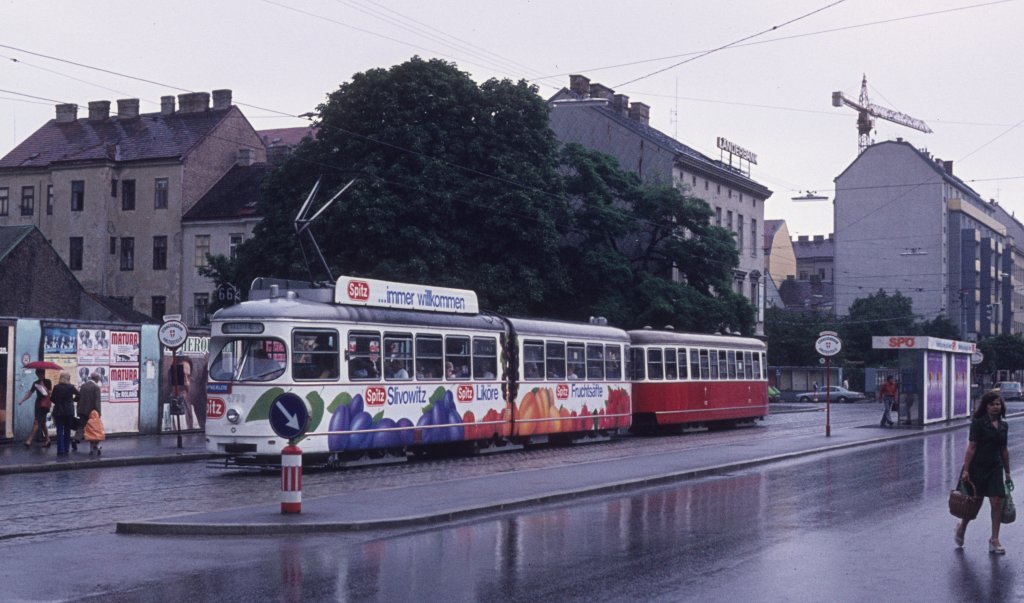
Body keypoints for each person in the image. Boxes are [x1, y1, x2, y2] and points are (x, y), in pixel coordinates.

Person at [955, 392, 1012, 553]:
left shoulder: (1003, 426)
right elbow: (971, 448)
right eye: (992, 404)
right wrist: (966, 470)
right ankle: (962, 527)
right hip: (977, 467)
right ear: (986, 406)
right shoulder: (978, 423)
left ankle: (994, 539)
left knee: (996, 502)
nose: (996, 407)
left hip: (995, 467)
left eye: (998, 404)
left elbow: (1004, 450)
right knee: (974, 503)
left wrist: (1007, 473)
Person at [18, 369, 52, 448]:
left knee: (36, 422)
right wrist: (22, 400)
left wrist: (43, 387)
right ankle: (47, 439)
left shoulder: (48, 381)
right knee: (43, 423)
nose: (41, 376)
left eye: (42, 374)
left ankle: (29, 440)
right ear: (37, 375)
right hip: (38, 403)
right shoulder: (35, 383)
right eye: (39, 374)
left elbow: (50, 393)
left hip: (45, 404)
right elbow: (30, 393)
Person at [50, 372, 78, 456]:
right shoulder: (71, 387)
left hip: (58, 411)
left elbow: (52, 398)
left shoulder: (56, 387)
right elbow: (79, 394)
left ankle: (60, 450)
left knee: (59, 430)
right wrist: (72, 401)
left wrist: (58, 402)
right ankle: (66, 449)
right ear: (68, 379)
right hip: (69, 411)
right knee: (67, 430)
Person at [77, 372, 102, 456]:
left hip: (82, 410)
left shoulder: (83, 386)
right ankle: (95, 446)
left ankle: (75, 439)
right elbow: (97, 402)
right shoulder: (96, 387)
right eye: (98, 378)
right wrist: (98, 413)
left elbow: (79, 398)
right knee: (94, 429)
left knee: (81, 426)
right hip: (91, 412)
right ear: (97, 379)